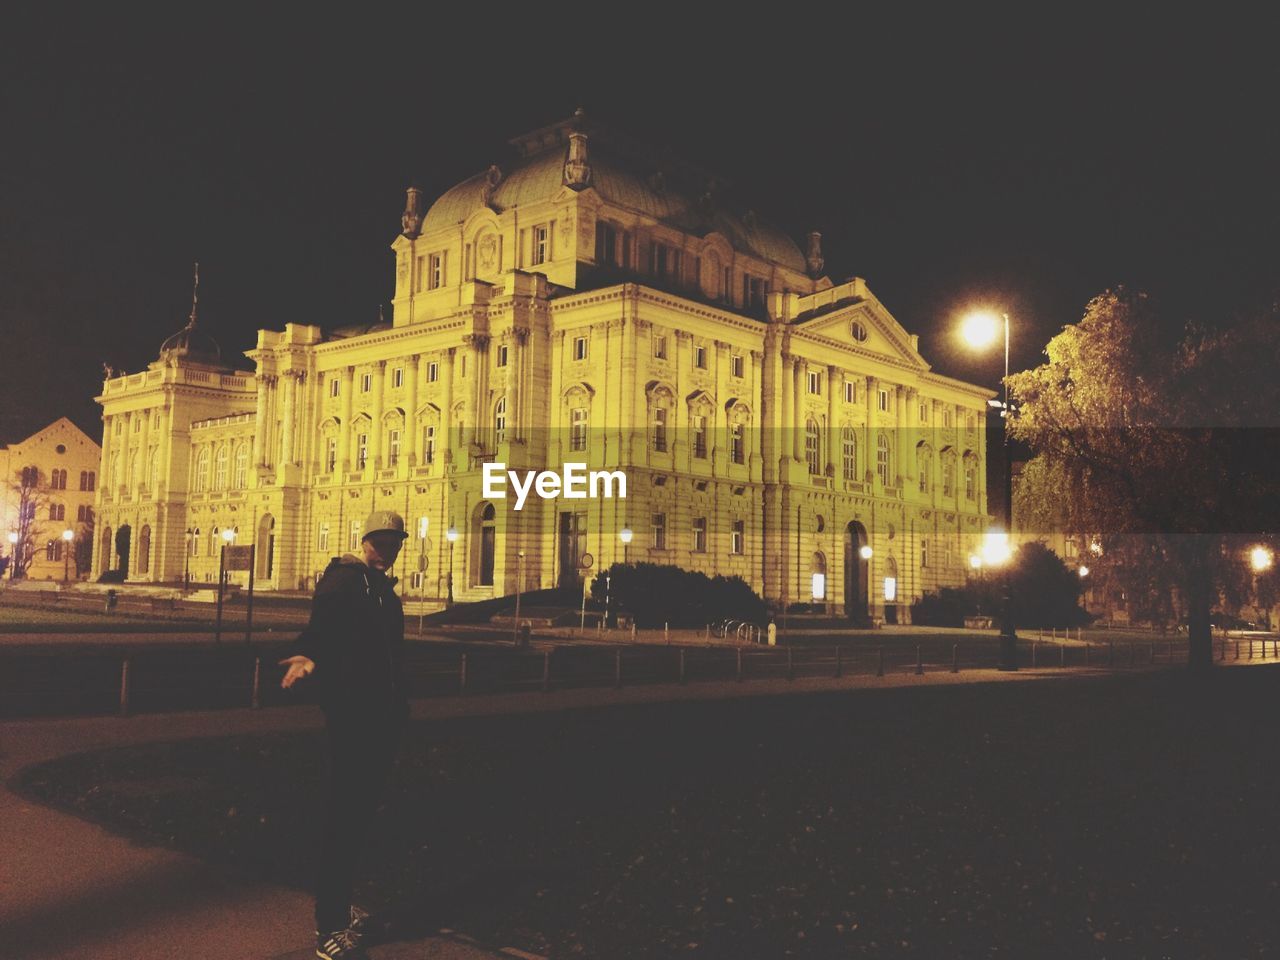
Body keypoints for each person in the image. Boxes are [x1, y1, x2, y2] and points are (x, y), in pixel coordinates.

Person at [280, 509, 410, 960]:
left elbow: (389, 655)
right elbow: (322, 628)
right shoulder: (344, 582)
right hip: (353, 716)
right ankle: (328, 925)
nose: (387, 551)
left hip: (381, 717)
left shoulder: (383, 593)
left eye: (394, 544)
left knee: (358, 817)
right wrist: (307, 655)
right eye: (380, 543)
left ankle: (338, 905)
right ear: (365, 541)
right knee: (344, 817)